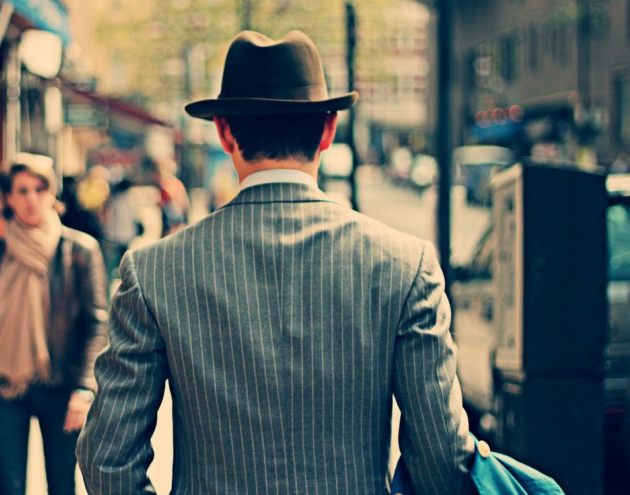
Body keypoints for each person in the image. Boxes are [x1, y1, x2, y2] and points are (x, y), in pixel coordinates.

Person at [77, 30, 475, 494]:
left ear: (224, 132)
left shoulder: (155, 272)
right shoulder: (406, 266)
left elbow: (107, 459)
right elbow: (443, 457)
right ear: (328, 130)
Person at [0, 155, 108, 495]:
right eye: (22, 190)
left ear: (53, 194)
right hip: (3, 386)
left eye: (40, 188)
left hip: (61, 386)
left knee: (62, 485)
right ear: (9, 198)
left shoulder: (80, 251)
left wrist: (84, 389)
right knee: (9, 486)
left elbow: (96, 323)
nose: (31, 198)